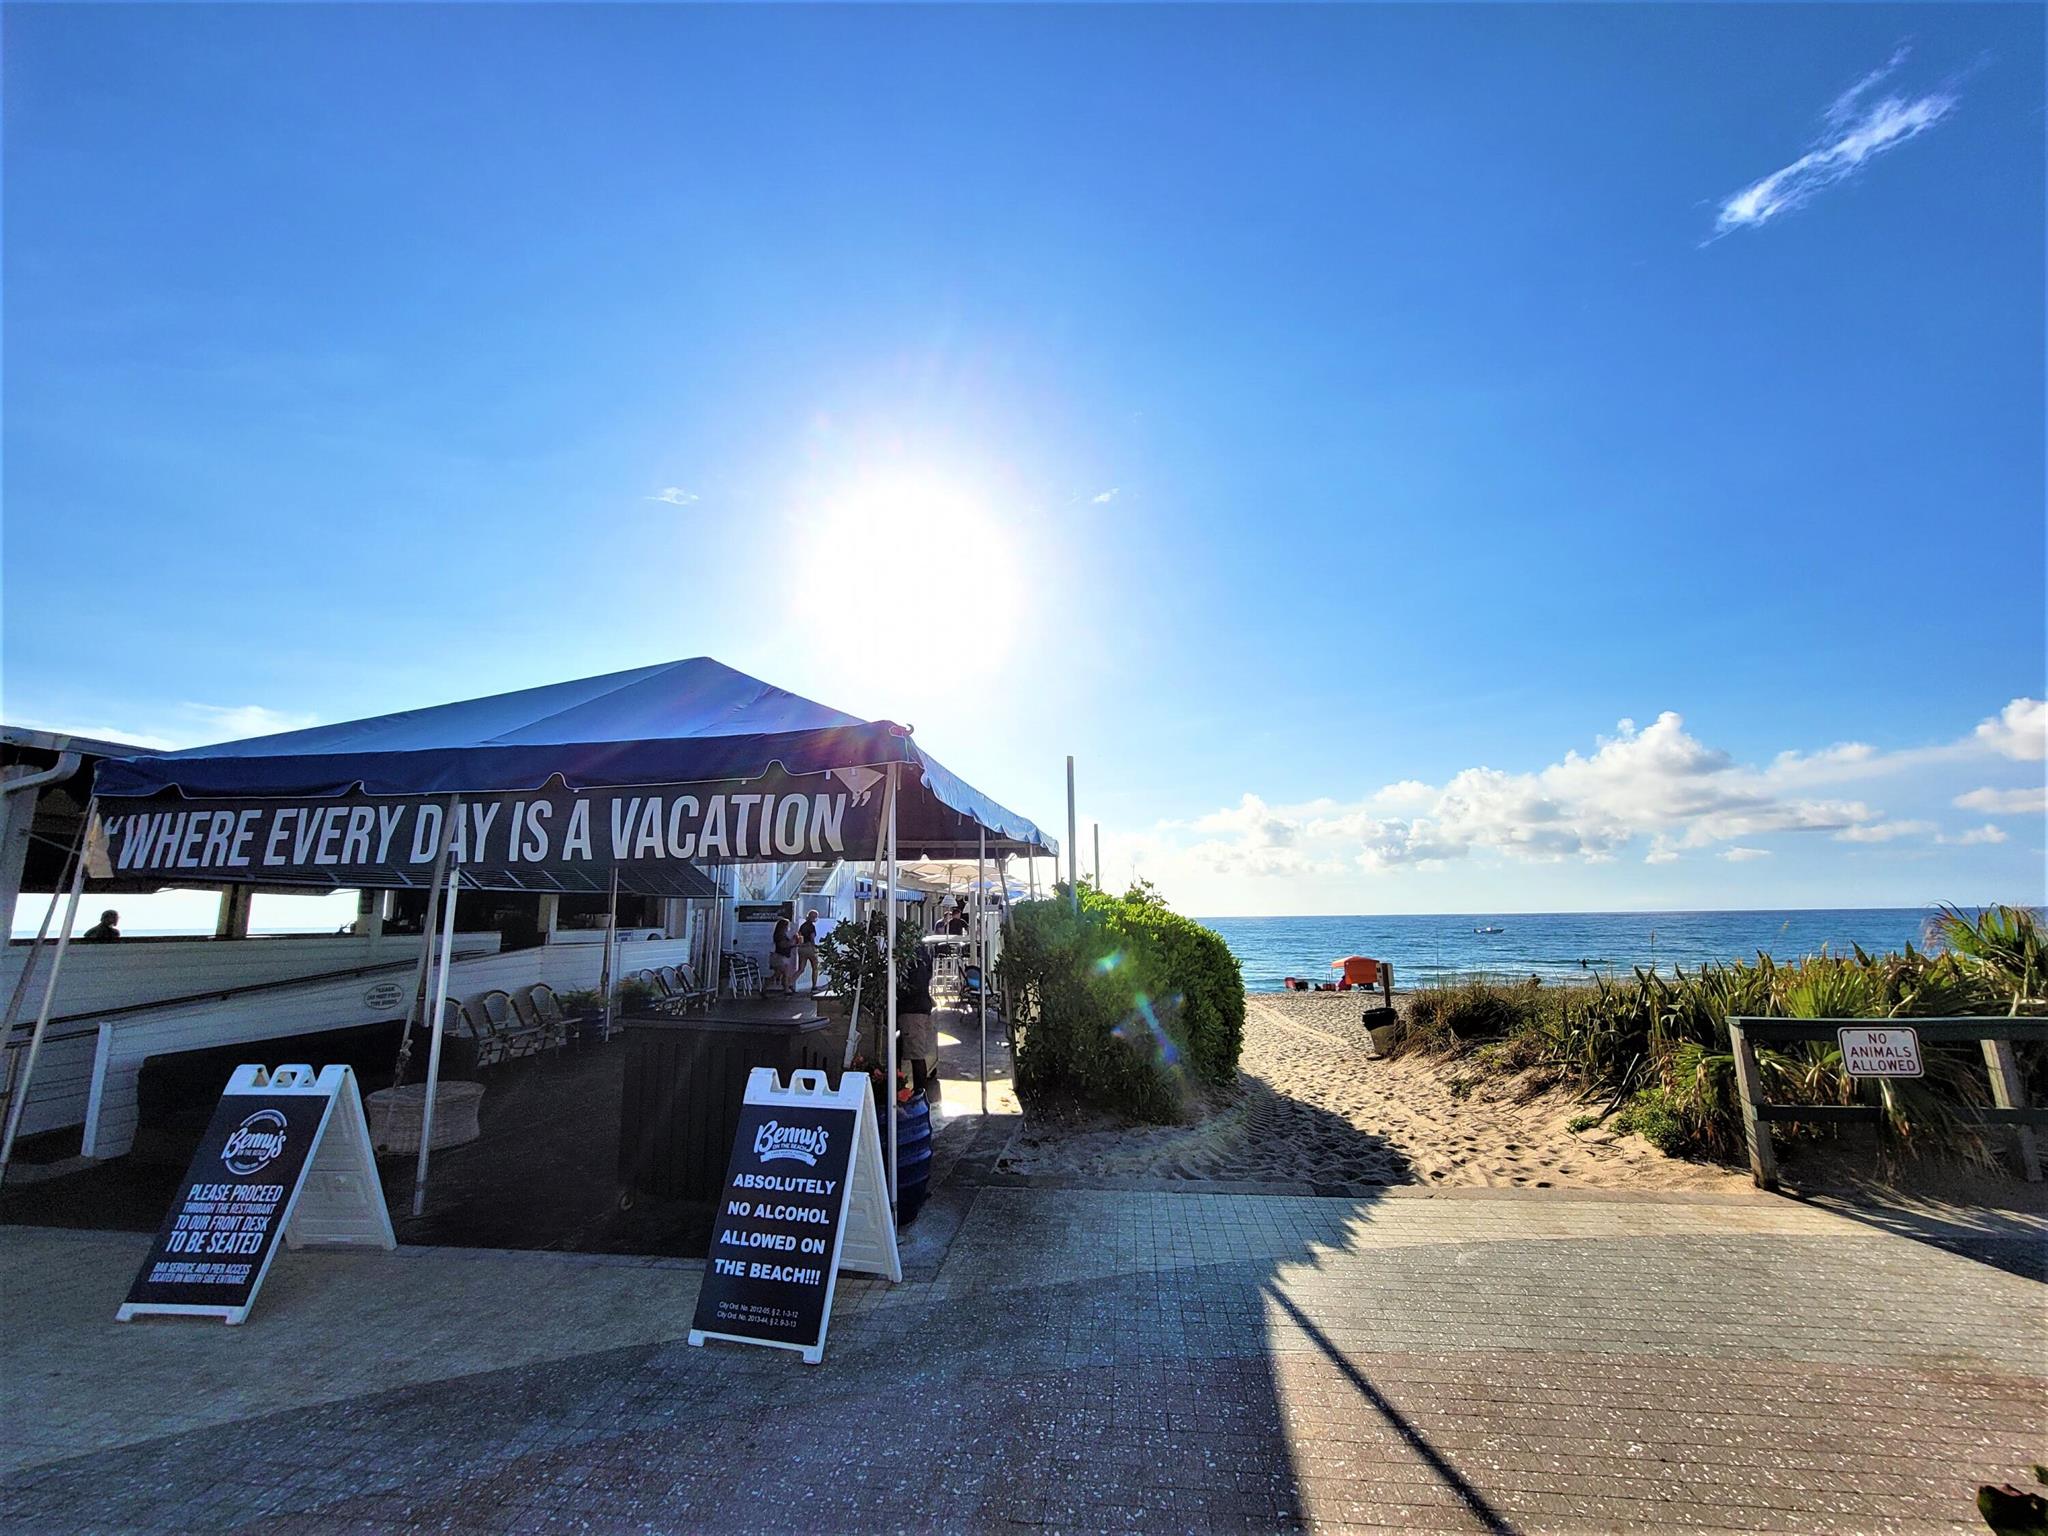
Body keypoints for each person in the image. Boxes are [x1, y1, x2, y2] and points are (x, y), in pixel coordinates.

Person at [896, 937, 939, 1102]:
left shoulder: (914, 959)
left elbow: (916, 985)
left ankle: (919, 1096)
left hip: (912, 1009)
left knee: (916, 1054)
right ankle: (917, 1094)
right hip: (918, 1007)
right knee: (915, 1053)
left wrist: (899, 993)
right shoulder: (922, 955)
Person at [767, 916, 799, 995]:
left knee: (781, 973)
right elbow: (783, 945)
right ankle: (785, 989)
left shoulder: (781, 934)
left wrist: (794, 945)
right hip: (779, 957)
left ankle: (785, 988)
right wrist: (792, 941)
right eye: (787, 925)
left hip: (780, 956)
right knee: (781, 973)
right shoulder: (780, 935)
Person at [796, 909, 821, 992]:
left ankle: (789, 983)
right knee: (815, 967)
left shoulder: (802, 926)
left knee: (801, 969)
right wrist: (814, 948)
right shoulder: (812, 927)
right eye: (815, 917)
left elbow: (799, 936)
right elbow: (812, 938)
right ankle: (814, 986)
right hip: (809, 948)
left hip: (802, 948)